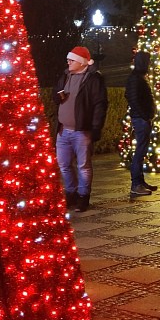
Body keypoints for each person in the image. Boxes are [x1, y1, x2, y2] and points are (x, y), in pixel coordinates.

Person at [52, 45, 108, 213]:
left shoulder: (93, 79)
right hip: (63, 131)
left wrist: (95, 128)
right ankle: (71, 193)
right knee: (64, 165)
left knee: (83, 165)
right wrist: (57, 95)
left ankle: (83, 196)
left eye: (72, 59)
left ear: (82, 62)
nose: (68, 61)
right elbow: (55, 94)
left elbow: (100, 105)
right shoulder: (65, 75)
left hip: (82, 131)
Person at [125, 50, 158, 198]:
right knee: (140, 151)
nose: (150, 64)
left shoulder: (138, 77)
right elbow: (133, 98)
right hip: (141, 119)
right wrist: (145, 115)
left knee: (142, 150)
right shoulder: (135, 79)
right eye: (148, 61)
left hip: (142, 118)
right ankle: (136, 184)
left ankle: (140, 181)